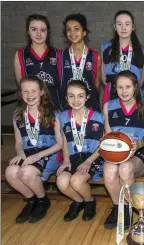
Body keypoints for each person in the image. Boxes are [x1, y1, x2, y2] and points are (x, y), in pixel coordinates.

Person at [5, 75, 62, 223]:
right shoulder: (18, 115)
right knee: (10, 172)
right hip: (29, 152)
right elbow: (18, 142)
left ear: (41, 92)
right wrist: (20, 152)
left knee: (26, 173)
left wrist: (38, 156)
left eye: (33, 91)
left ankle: (43, 201)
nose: (29, 95)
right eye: (25, 91)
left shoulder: (53, 113)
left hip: (50, 152)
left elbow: (60, 144)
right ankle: (31, 201)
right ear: (20, 93)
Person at [102, 71, 144, 229]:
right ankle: (118, 207)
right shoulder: (108, 106)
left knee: (125, 168)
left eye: (128, 87)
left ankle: (129, 208)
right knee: (109, 171)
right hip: (116, 152)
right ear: (115, 88)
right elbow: (108, 135)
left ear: (135, 87)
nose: (124, 91)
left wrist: (139, 144)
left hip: (140, 152)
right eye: (120, 87)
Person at [56, 80, 105, 222]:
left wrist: (89, 161)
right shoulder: (63, 117)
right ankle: (79, 201)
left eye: (80, 96)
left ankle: (90, 201)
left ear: (87, 97)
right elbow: (65, 141)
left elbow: (104, 143)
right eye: (71, 96)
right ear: (66, 98)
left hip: (94, 157)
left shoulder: (99, 117)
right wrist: (65, 160)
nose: (76, 100)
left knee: (76, 181)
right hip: (73, 157)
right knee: (62, 182)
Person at [14, 14, 62, 110]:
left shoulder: (58, 54)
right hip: (31, 106)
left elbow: (62, 84)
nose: (39, 34)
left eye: (43, 30)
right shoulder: (20, 54)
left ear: (48, 32)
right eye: (34, 29)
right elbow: (21, 84)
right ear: (28, 31)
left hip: (55, 107)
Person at [58, 13, 101, 111]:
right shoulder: (60, 55)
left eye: (76, 29)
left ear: (84, 32)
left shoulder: (95, 56)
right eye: (69, 29)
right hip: (67, 108)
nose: (72, 32)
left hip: (89, 108)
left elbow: (96, 85)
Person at [101, 10, 144, 105]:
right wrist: (118, 88)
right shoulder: (105, 48)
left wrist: (128, 89)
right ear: (115, 27)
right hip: (111, 94)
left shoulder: (142, 51)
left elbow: (141, 79)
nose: (123, 28)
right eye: (119, 24)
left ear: (133, 27)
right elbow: (103, 77)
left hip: (134, 95)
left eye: (127, 24)